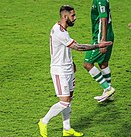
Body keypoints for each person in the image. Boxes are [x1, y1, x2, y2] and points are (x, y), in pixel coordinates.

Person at [38, 5, 113, 137]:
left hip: (68, 69)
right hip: (59, 71)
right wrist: (98, 45)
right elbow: (78, 47)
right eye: (73, 15)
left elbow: (64, 49)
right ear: (65, 16)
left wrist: (71, 62)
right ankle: (43, 121)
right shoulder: (58, 31)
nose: (75, 18)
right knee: (64, 101)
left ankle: (66, 129)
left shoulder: (64, 30)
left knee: (69, 100)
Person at [83, 0, 115, 102]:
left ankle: (107, 88)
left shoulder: (100, 0)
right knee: (103, 63)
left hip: (100, 37)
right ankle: (109, 95)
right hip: (108, 34)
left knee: (87, 64)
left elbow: (103, 19)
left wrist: (103, 40)